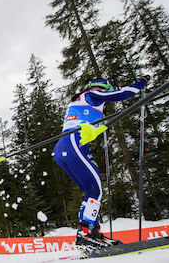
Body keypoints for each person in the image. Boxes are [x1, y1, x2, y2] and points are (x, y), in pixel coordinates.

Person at [53, 77, 149, 249]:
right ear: (99, 88)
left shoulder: (88, 104)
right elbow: (121, 94)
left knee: (91, 191)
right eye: (104, 89)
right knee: (95, 190)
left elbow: (91, 123)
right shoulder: (91, 94)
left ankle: (93, 232)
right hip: (74, 142)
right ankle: (86, 234)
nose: (105, 93)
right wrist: (140, 83)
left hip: (66, 147)